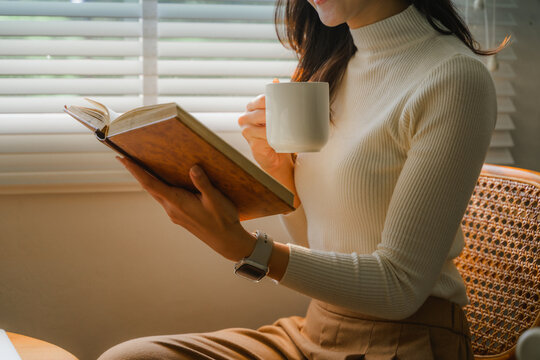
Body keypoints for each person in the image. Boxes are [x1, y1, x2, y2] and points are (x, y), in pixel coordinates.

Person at [98, 0, 507, 359]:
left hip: (404, 339)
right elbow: (321, 246)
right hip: (316, 327)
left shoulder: (454, 78)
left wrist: (246, 249)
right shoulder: (334, 65)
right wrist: (282, 174)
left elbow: (399, 289)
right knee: (132, 357)